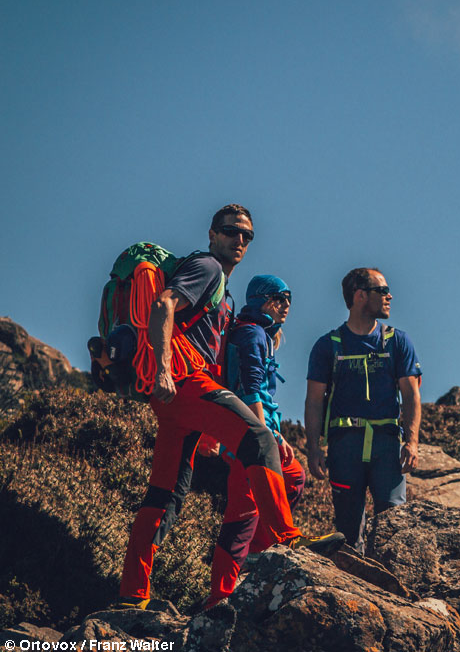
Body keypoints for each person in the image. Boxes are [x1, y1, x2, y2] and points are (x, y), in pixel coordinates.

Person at [115, 205, 343, 609]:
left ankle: (133, 595)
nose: (239, 240)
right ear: (212, 234)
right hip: (183, 382)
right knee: (259, 439)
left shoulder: (223, 289)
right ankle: (288, 536)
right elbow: (164, 305)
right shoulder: (207, 268)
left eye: (247, 235)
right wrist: (164, 370)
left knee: (164, 494)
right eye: (231, 231)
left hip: (177, 403)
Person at [201, 274, 307, 610]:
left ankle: (226, 588)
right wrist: (267, 436)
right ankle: (245, 570)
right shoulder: (252, 334)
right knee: (247, 510)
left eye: (289, 299)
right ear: (263, 299)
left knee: (244, 512)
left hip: (244, 435)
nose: (287, 305)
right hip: (249, 436)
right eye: (281, 298)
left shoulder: (256, 332)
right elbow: (250, 388)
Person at [304, 267, 422, 553]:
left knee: (393, 522)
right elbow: (314, 401)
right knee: (347, 527)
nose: (389, 296)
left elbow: (411, 394)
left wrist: (412, 441)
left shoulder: (397, 341)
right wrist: (314, 448)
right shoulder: (327, 345)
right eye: (382, 291)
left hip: (386, 443)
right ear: (360, 296)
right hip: (345, 445)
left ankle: (392, 592)